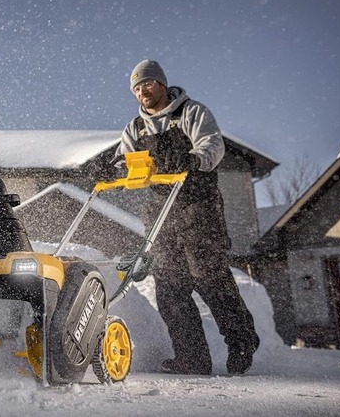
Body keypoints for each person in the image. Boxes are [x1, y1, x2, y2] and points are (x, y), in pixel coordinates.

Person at [108, 59, 260, 375]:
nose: (142, 91)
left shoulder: (191, 112)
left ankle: (241, 341)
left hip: (198, 205)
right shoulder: (134, 128)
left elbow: (212, 146)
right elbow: (125, 162)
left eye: (147, 83)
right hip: (161, 210)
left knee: (208, 275)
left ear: (162, 83)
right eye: (136, 87)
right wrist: (115, 170)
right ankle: (192, 358)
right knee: (169, 286)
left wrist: (191, 159)